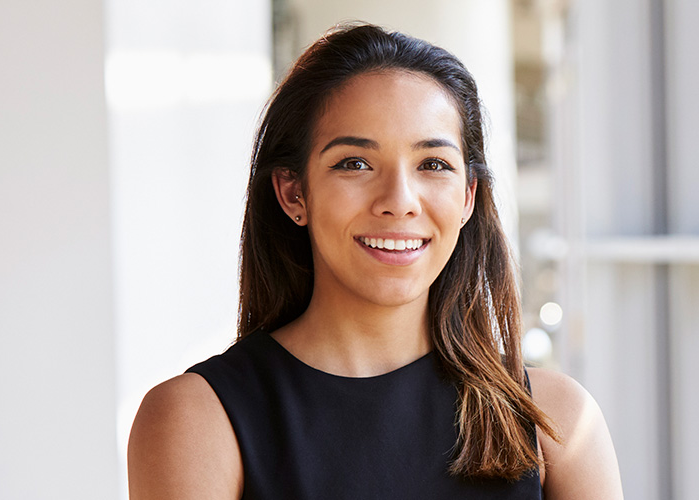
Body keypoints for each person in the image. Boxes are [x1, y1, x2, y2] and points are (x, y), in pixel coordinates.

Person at [128, 23, 623, 499]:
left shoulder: (557, 421)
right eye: (355, 163)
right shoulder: (198, 418)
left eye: (433, 164)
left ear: (469, 197)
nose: (399, 200)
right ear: (293, 192)